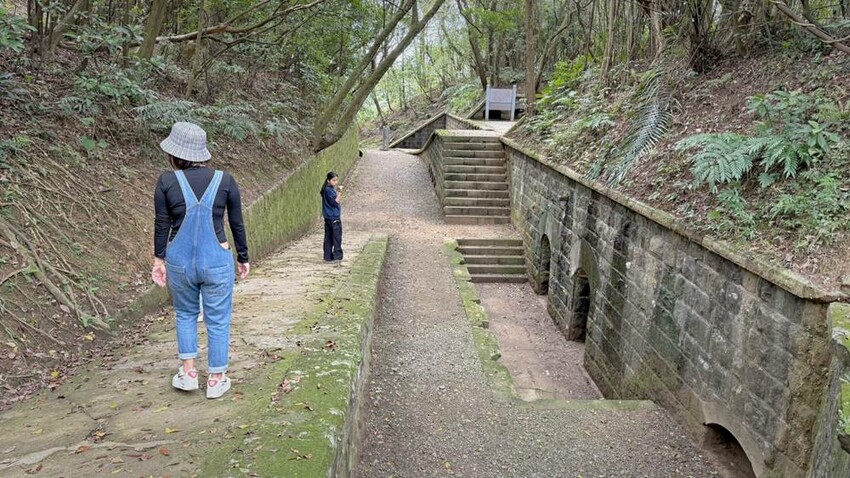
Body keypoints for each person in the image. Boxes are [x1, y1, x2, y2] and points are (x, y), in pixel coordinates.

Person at [150, 122, 250, 399]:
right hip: (217, 259)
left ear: (176, 153)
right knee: (218, 319)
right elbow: (237, 223)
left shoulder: (166, 181)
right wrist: (243, 257)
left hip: (179, 261)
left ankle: (189, 373)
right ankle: (217, 379)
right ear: (202, 153)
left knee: (185, 313)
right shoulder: (225, 180)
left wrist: (159, 260)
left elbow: (161, 223)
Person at [321, 171, 343, 262]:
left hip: (327, 216)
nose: (336, 182)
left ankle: (328, 256)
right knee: (336, 237)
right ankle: (337, 256)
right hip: (333, 216)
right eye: (334, 180)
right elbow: (335, 202)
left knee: (328, 237)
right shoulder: (329, 190)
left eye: (336, 180)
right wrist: (340, 192)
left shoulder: (326, 189)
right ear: (328, 180)